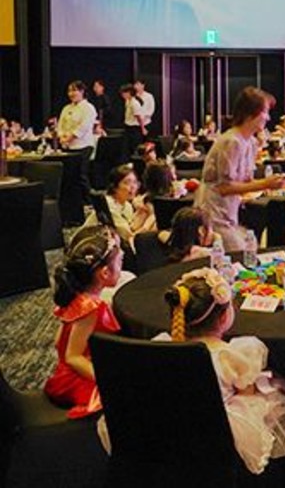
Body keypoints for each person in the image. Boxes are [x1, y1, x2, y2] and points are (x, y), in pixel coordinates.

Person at [160, 267, 285, 474]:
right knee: (276, 396)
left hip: (169, 430)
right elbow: (248, 397)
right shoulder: (231, 355)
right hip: (216, 436)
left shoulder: (161, 348)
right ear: (224, 317)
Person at [194, 87, 285, 252]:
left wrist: (272, 183)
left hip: (229, 213)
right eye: (265, 112)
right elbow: (224, 188)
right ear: (250, 114)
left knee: (249, 247)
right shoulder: (231, 142)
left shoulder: (250, 142)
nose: (268, 117)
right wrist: (266, 184)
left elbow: (245, 181)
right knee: (240, 252)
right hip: (213, 214)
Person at [44, 225, 125, 418]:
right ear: (104, 273)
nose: (122, 266)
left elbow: (58, 342)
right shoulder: (90, 308)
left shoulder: (78, 297)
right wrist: (103, 378)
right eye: (120, 262)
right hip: (74, 382)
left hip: (65, 374)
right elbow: (72, 356)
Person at [83, 164, 155, 245]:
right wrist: (149, 221)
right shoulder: (109, 205)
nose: (133, 187)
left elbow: (131, 227)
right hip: (90, 244)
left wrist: (142, 213)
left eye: (135, 182)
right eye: (127, 183)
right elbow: (128, 237)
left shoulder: (127, 205)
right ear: (114, 187)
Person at [58, 80, 98, 202]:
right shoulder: (66, 108)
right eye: (69, 91)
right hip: (68, 147)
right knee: (69, 177)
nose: (71, 93)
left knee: (81, 175)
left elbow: (84, 127)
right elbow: (60, 125)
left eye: (74, 90)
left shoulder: (89, 108)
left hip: (83, 146)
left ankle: (90, 202)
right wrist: (61, 137)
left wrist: (70, 137)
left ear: (82, 91)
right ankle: (74, 203)